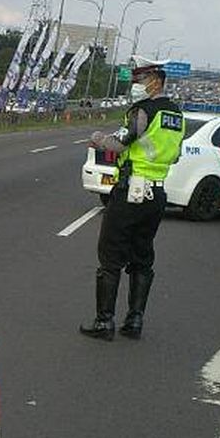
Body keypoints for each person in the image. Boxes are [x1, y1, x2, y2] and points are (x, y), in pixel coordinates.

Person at [80, 57, 185, 341]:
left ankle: (104, 322)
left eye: (142, 79)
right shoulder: (176, 115)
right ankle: (135, 320)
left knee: (111, 254)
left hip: (130, 191)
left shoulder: (142, 111)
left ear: (157, 81)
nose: (137, 85)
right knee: (142, 255)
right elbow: (175, 155)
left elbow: (119, 143)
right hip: (156, 194)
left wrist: (98, 137)